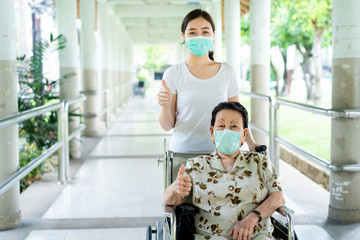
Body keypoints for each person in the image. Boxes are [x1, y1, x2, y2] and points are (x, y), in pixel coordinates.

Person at [164, 102, 285, 240]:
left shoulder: (260, 162)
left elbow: (278, 197)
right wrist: (174, 189)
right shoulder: (196, 165)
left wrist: (252, 218)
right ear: (212, 133)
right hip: (211, 237)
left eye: (234, 126)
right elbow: (170, 200)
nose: (227, 131)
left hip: (258, 235)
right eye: (221, 126)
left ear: (244, 134)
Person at [157, 9, 259, 153]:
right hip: (183, 155)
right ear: (184, 36)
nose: (199, 36)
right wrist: (165, 106)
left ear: (213, 35)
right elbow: (167, 126)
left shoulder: (227, 72)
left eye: (205, 32)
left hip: (221, 156)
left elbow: (238, 116)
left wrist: (251, 143)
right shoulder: (173, 74)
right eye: (192, 32)